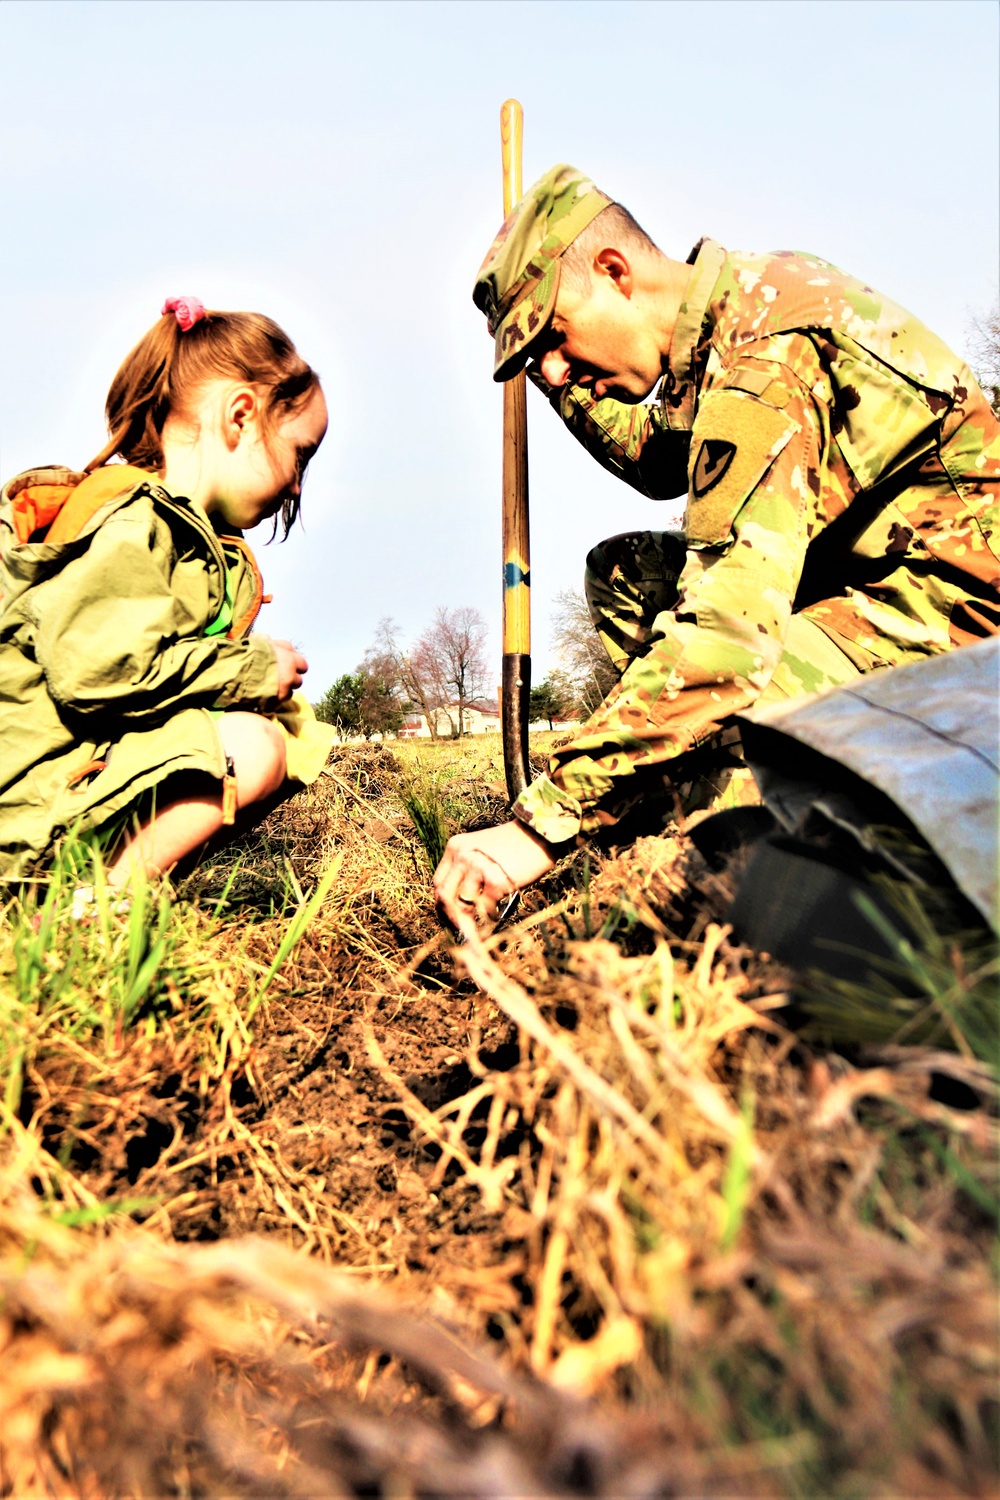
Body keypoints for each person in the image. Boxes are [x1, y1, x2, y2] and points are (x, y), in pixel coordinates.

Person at [433, 164, 1000, 927]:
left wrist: (542, 821)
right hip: (866, 580)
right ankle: (682, 804)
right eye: (540, 359)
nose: (558, 369)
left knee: (738, 689)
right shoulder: (731, 314)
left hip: (961, 618)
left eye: (554, 337)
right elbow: (655, 460)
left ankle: (737, 880)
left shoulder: (766, 360)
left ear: (614, 272)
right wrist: (555, 375)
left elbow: (729, 642)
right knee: (629, 573)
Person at [0, 296, 333, 890]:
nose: (297, 485)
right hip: (25, 806)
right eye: (300, 454)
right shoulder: (135, 527)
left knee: (269, 743)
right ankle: (93, 910)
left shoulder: (177, 535)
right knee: (252, 750)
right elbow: (100, 673)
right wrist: (253, 671)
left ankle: (109, 890)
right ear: (240, 416)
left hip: (58, 785)